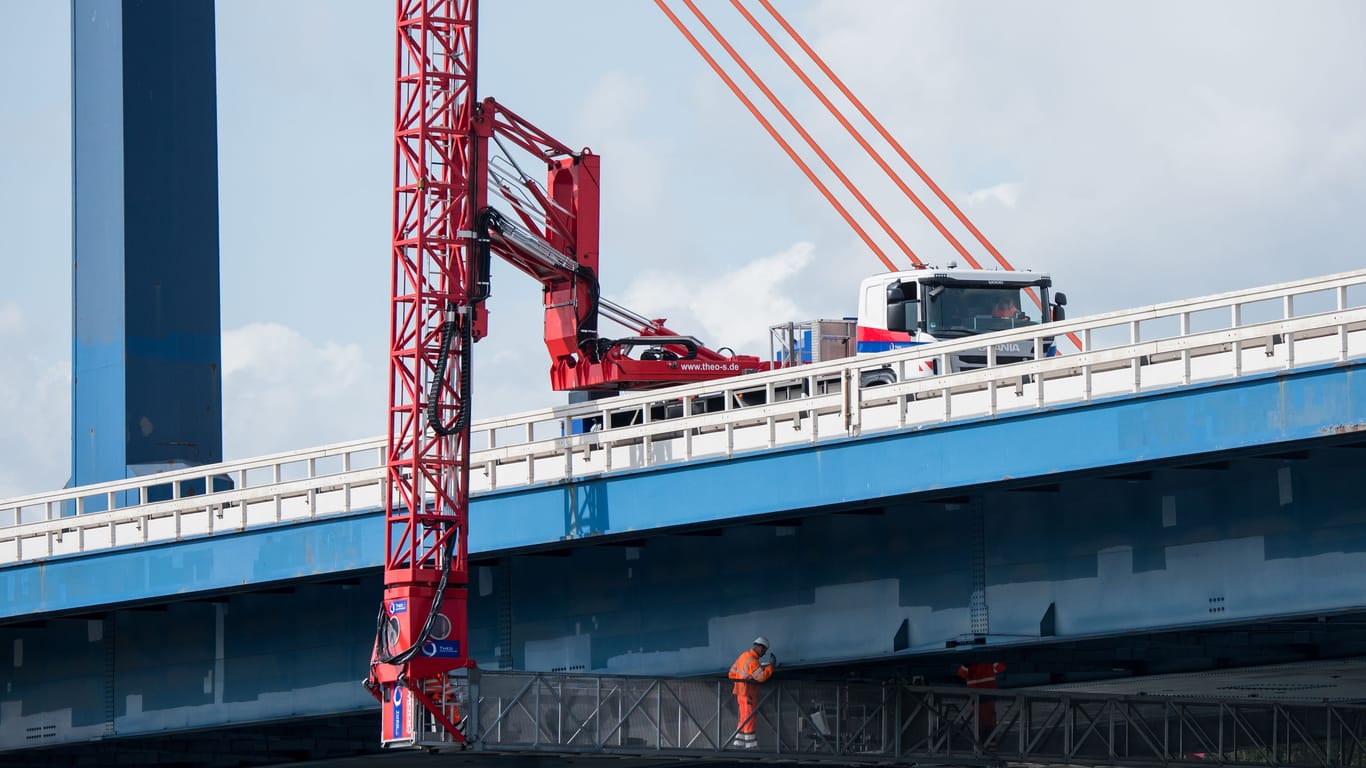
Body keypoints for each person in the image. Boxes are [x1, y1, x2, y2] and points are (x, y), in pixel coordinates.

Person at [728, 636, 775, 749]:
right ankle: (751, 746)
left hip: (740, 692)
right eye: (764, 650)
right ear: (760, 647)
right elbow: (762, 677)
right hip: (749, 694)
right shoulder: (753, 662)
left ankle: (738, 744)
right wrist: (770, 667)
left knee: (743, 718)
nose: (764, 653)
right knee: (750, 717)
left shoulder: (743, 656)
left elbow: (731, 674)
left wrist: (744, 679)